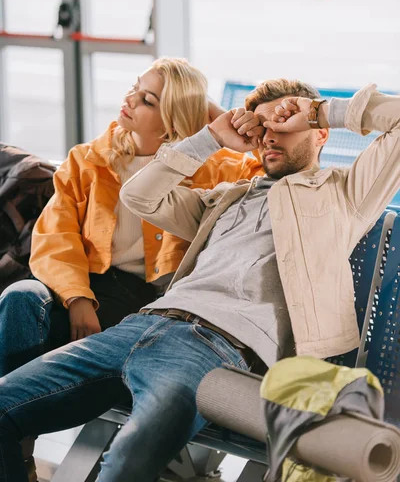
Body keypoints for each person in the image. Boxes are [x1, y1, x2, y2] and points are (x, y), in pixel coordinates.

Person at [0, 80, 398, 482]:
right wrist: (210, 138)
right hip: (138, 326)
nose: (269, 137)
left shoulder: (344, 194)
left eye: (284, 123)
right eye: (262, 127)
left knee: (125, 465)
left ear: (320, 133)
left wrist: (318, 110)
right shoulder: (226, 197)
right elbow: (139, 197)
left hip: (214, 353)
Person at [0, 57, 263, 481]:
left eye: (147, 99)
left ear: (171, 121)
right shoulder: (88, 160)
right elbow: (55, 238)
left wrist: (209, 116)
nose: (129, 100)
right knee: (20, 297)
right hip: (91, 292)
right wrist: (78, 298)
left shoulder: (213, 169)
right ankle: (17, 446)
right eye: (135, 89)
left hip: (161, 307)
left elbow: (269, 176)